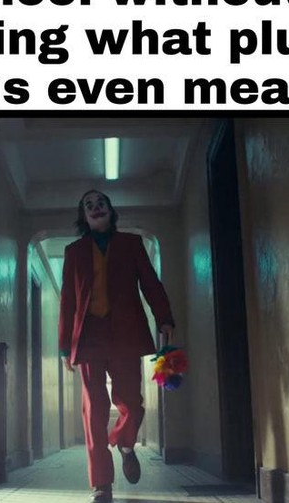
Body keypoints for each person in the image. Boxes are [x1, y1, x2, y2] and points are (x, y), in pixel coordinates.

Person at [58, 189, 175, 503]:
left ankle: (125, 444)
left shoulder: (131, 244)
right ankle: (101, 484)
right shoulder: (73, 252)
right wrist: (64, 346)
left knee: (132, 404)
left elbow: (151, 283)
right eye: (89, 205)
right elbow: (68, 300)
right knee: (93, 411)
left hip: (125, 333)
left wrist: (164, 318)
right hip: (88, 338)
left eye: (101, 203)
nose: (96, 208)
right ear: (83, 216)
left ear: (110, 211)